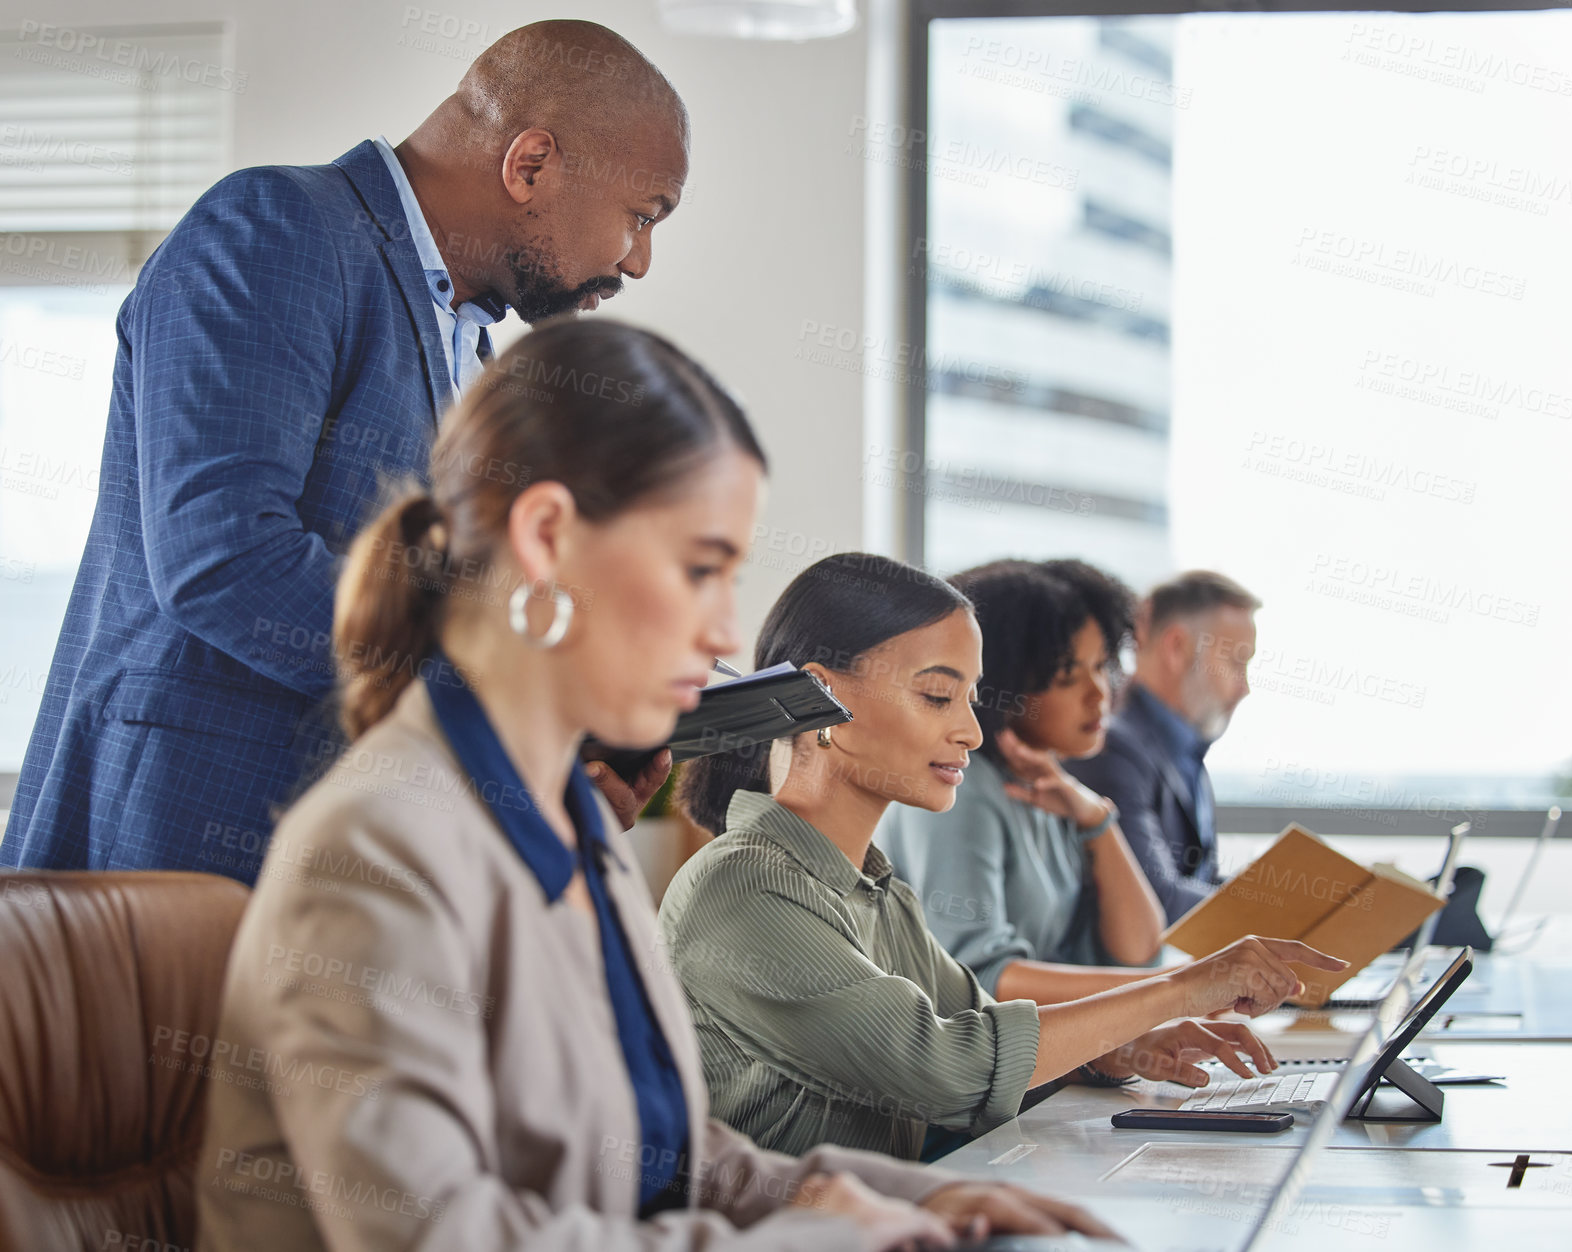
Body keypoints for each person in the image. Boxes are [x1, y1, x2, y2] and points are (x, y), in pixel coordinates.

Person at [197, 322, 1117, 1251]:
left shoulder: (567, 820)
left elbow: (656, 1157)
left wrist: (907, 1201)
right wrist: (819, 1238)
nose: (724, 632)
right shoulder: (379, 846)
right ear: (548, 536)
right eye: (701, 568)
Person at [2, 20, 683, 883]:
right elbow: (226, 557)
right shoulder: (278, 228)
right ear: (531, 164)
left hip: (343, 868)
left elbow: (430, 613)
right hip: (182, 840)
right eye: (643, 215)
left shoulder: (468, 349)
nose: (641, 259)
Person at [662, 554, 1342, 1162]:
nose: (971, 730)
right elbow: (951, 1068)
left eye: (970, 698)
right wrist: (1187, 986)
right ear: (824, 706)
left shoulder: (870, 886)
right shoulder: (746, 887)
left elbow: (981, 1020)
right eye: (936, 695)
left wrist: (1123, 1048)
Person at [878, 559, 1167, 1007]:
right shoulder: (960, 790)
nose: (1099, 693)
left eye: (1101, 665)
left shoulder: (1048, 789)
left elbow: (1139, 954)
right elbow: (978, 981)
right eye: (1069, 676)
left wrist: (1095, 819)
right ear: (1004, 686)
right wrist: (1174, 991)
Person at [1068, 570, 1261, 921]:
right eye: (1236, 662)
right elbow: (1158, 900)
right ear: (1177, 648)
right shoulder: (1112, 748)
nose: (1244, 687)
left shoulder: (1187, 748)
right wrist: (1293, 914)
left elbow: (1196, 879)